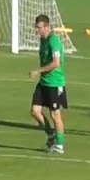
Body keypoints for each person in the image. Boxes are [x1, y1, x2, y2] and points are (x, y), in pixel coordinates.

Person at [28, 14, 67, 154]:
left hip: (54, 83)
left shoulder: (53, 41)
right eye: (36, 27)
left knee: (55, 114)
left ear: (47, 27)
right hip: (44, 82)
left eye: (39, 28)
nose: (37, 30)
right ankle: (51, 135)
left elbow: (56, 63)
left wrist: (38, 71)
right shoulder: (43, 40)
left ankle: (60, 145)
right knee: (35, 111)